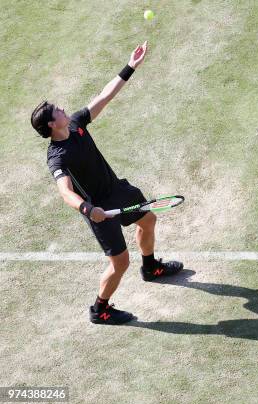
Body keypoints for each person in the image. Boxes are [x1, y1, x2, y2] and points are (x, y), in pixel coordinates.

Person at [30, 41, 183, 325]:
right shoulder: (57, 157)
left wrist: (130, 66)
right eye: (57, 110)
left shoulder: (76, 123)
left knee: (148, 220)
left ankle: (150, 268)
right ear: (52, 124)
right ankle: (100, 309)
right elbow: (65, 193)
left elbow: (104, 97)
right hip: (98, 209)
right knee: (120, 263)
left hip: (116, 191)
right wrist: (89, 210)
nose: (63, 108)